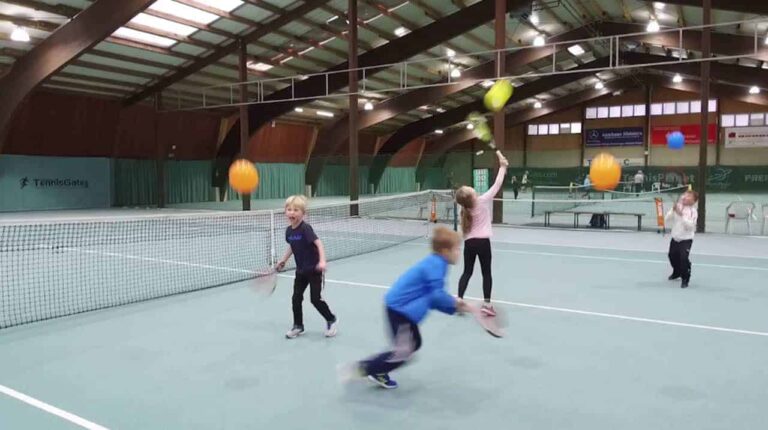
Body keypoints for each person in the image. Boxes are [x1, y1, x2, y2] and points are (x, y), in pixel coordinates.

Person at [338, 226, 472, 389]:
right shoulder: (436, 265)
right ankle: (363, 368)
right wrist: (455, 305)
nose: (459, 252)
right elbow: (437, 296)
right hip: (399, 310)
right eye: (457, 249)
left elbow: (433, 296)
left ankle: (378, 371)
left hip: (405, 310)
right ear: (445, 251)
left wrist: (454, 305)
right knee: (403, 351)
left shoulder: (438, 263)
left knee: (413, 344)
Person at [276, 195, 339, 339]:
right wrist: (283, 260)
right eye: (289, 209)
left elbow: (319, 243)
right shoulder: (289, 231)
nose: (292, 212)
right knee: (296, 298)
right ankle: (298, 325)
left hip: (314, 270)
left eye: (296, 210)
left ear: (303, 214)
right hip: (301, 271)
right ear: (285, 211)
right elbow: (292, 246)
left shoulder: (305, 229)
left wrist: (322, 261)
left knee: (315, 299)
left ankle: (331, 319)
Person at [454, 151, 508, 315]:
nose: (470, 186)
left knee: (467, 272)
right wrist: (503, 167)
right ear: (471, 195)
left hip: (470, 243)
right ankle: (487, 305)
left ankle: (459, 300)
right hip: (483, 243)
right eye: (468, 188)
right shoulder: (482, 201)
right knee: (486, 273)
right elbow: (497, 185)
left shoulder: (464, 210)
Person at [665, 190, 699, 289]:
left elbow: (690, 227)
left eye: (689, 196)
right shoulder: (677, 207)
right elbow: (667, 219)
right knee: (672, 256)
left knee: (683, 259)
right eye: (685, 195)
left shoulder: (693, 211)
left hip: (686, 239)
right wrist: (673, 210)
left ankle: (685, 279)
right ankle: (676, 272)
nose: (685, 197)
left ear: (693, 201)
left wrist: (682, 215)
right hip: (675, 237)